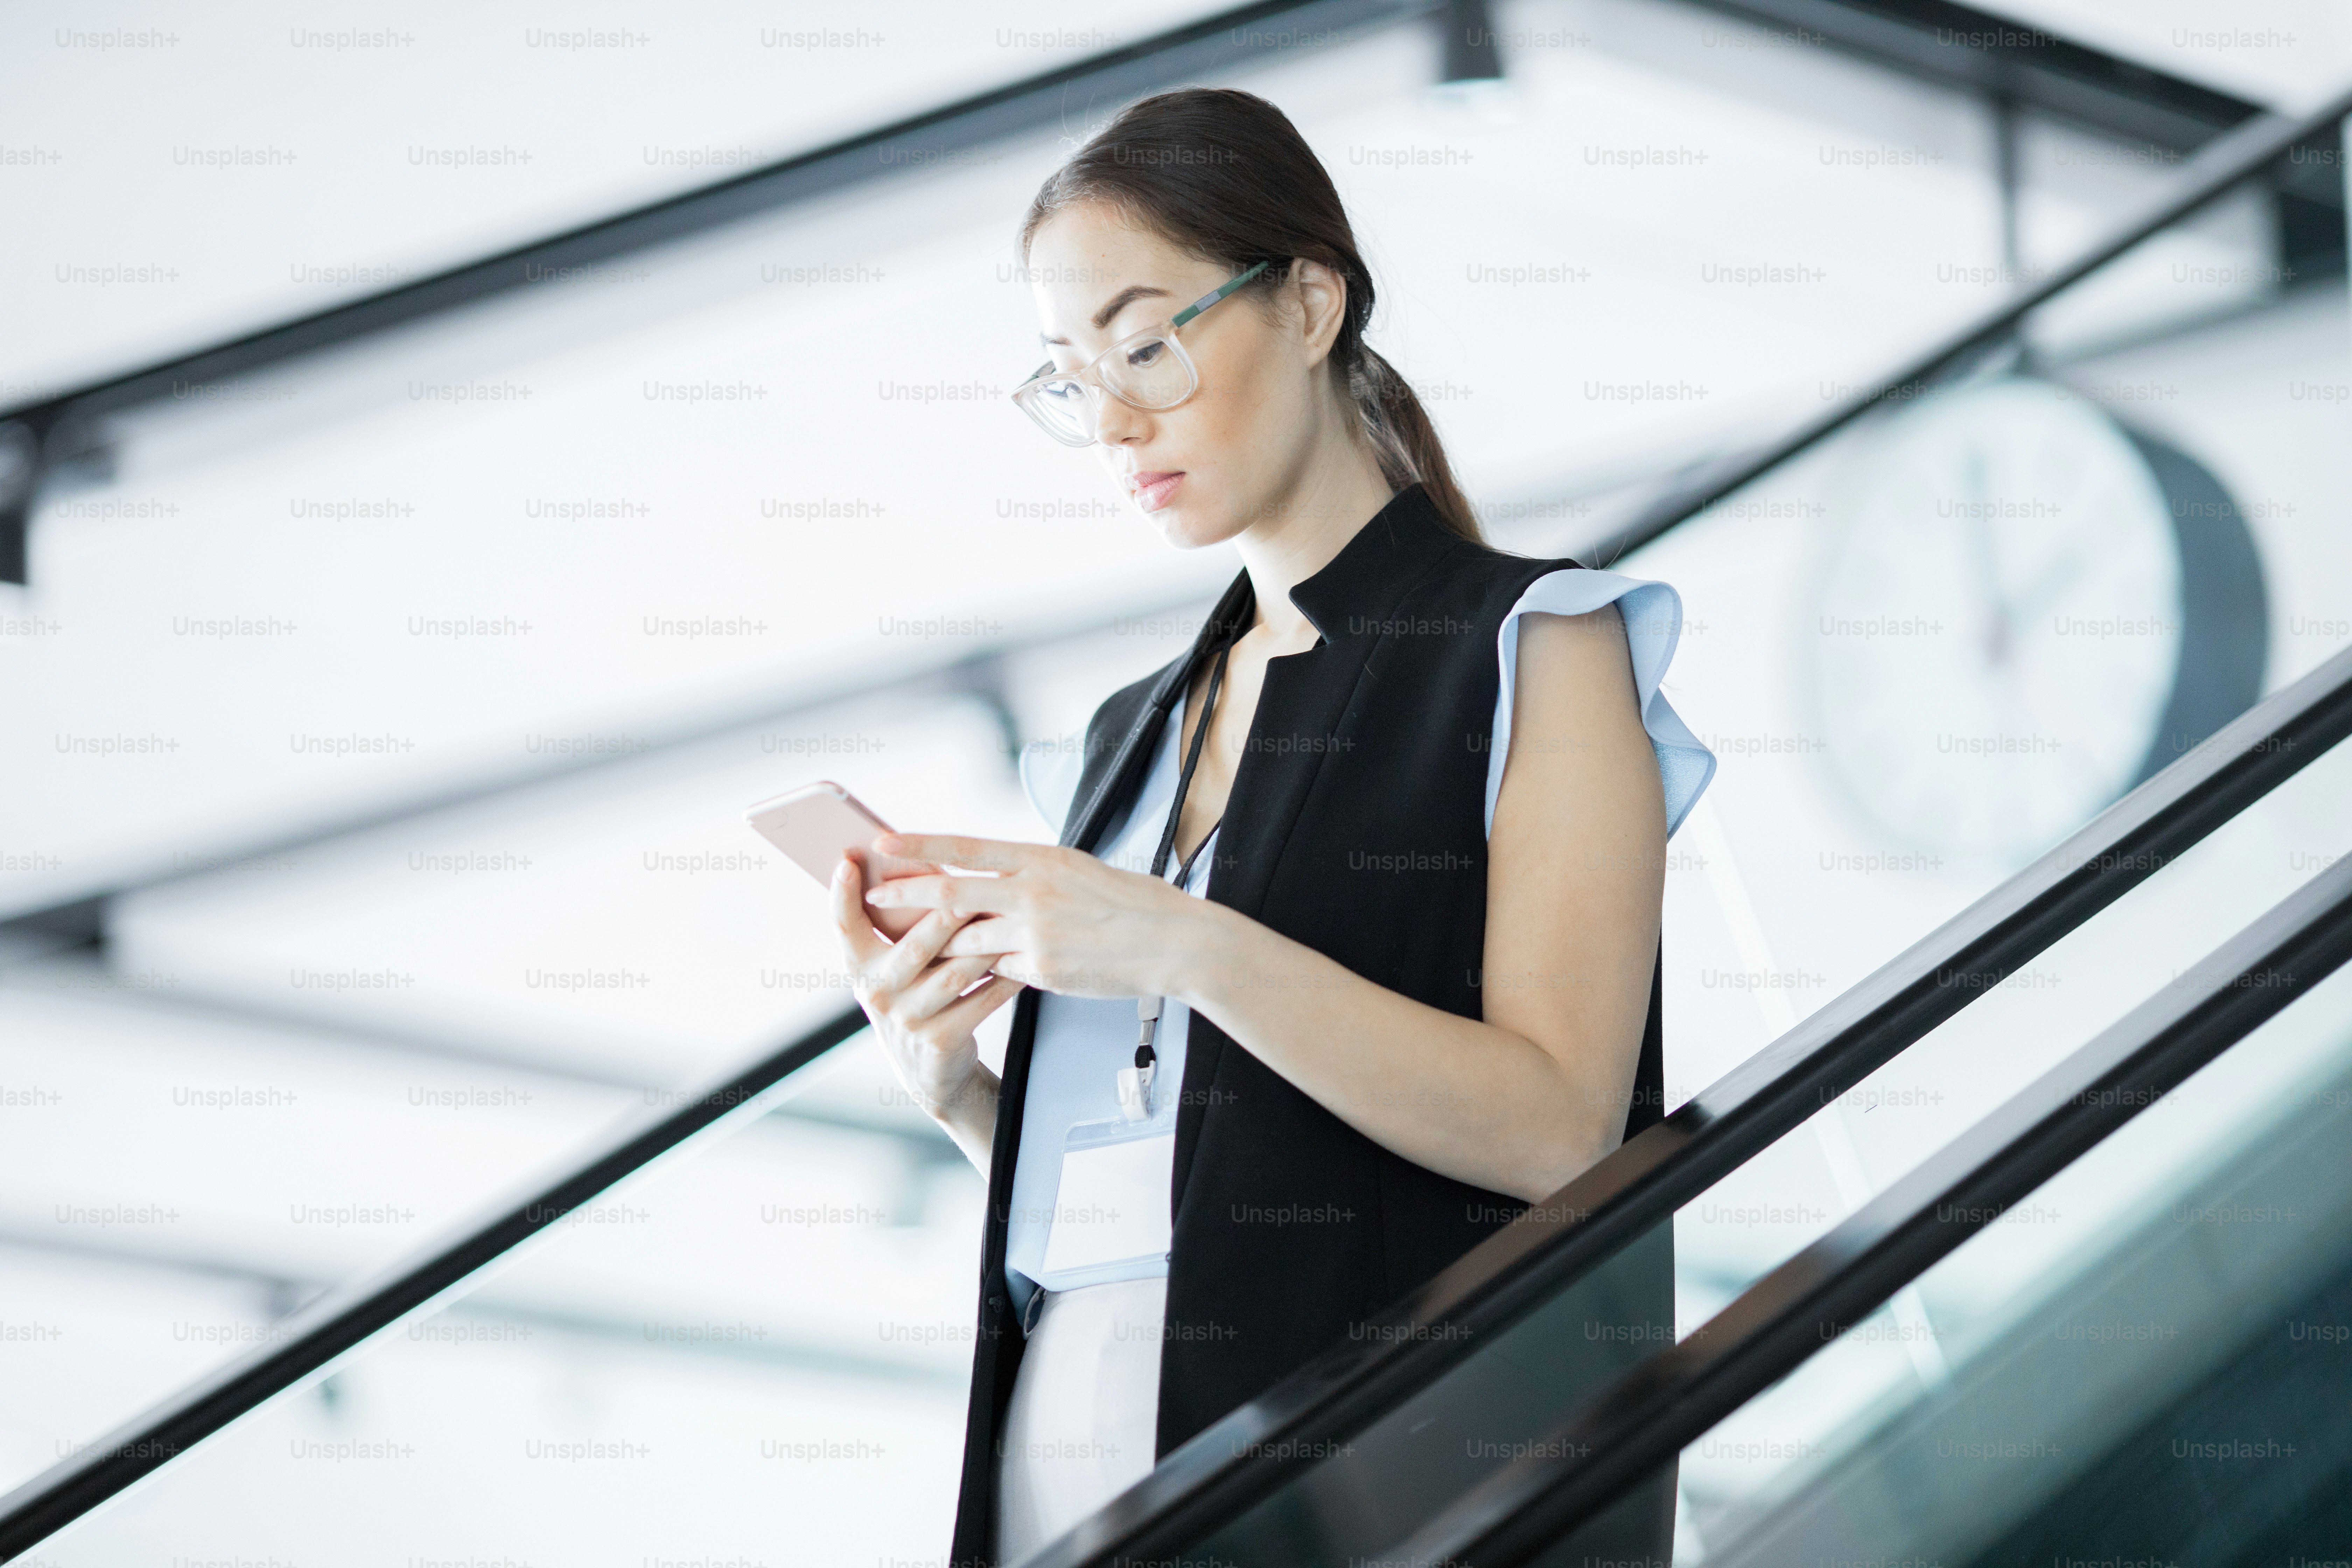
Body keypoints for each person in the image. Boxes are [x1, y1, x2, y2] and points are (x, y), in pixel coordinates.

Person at [828, 86, 1715, 1567]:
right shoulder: (1127, 736)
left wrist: (1178, 943)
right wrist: (959, 1090)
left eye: (1147, 339)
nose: (1114, 416)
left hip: (1367, 1467)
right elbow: (1186, 1190)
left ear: (1310, 302)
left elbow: (1562, 1126)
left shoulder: (1529, 643)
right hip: (1076, 1440)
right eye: (1070, 374)